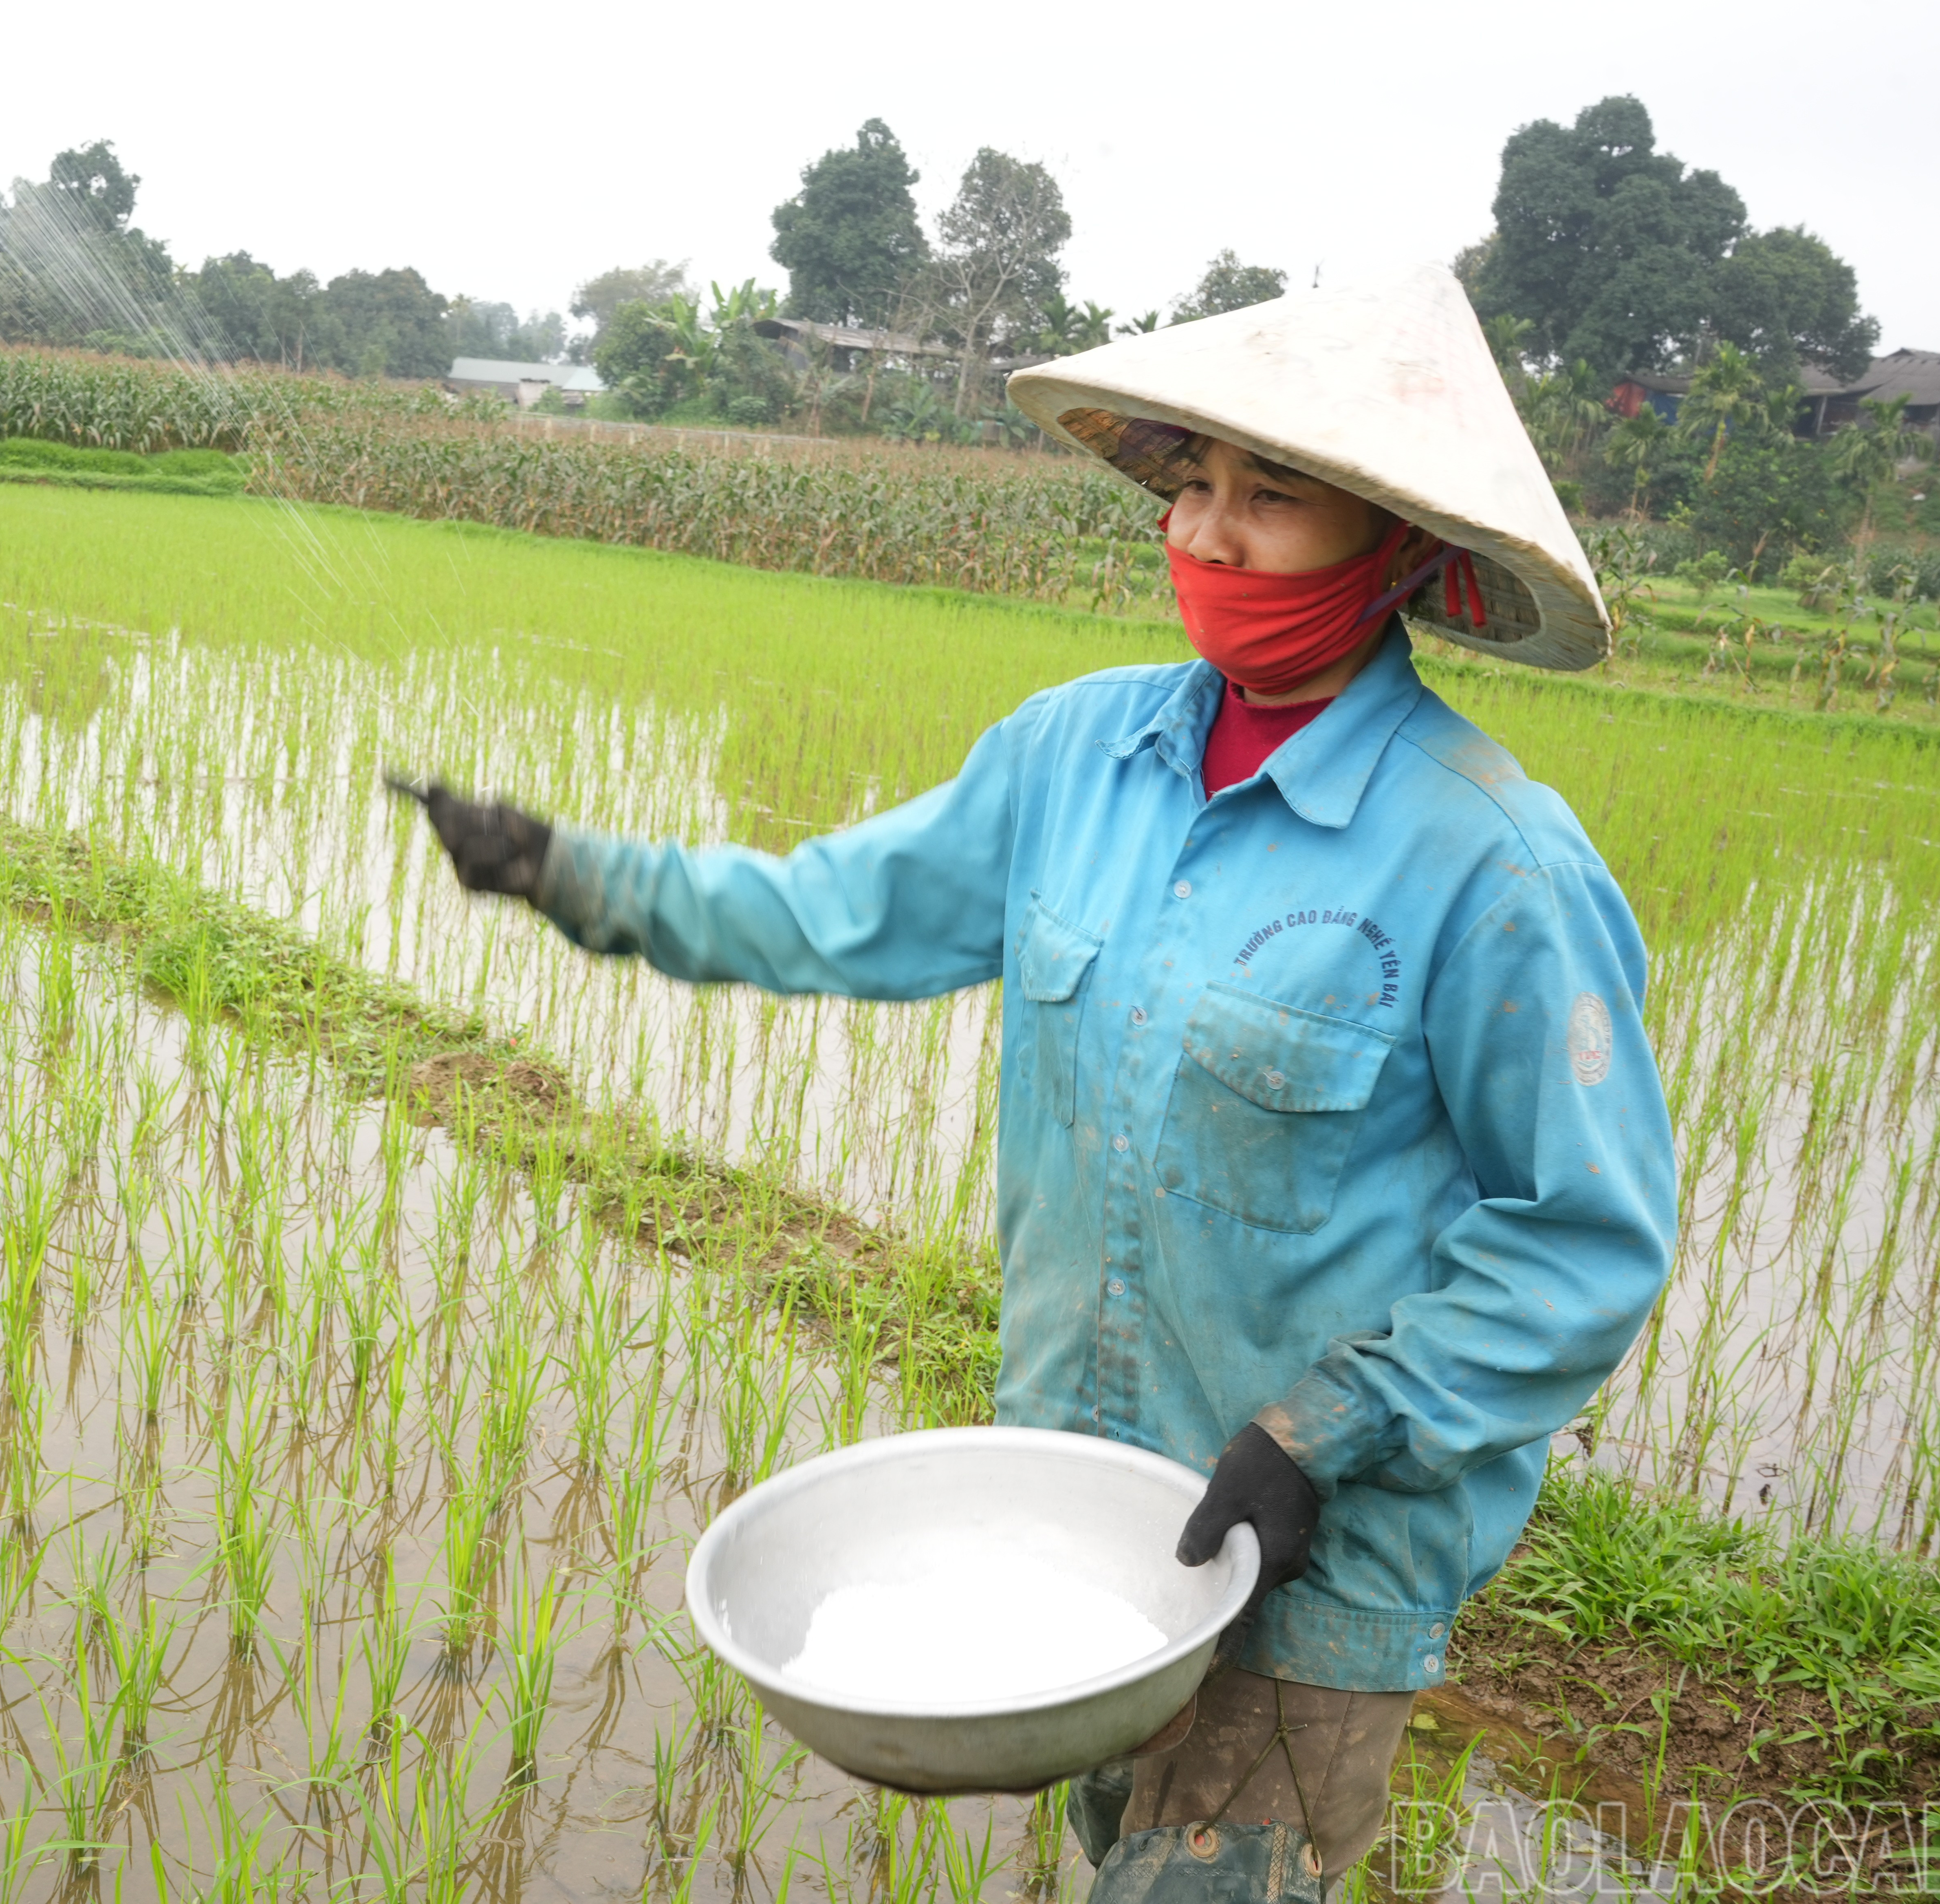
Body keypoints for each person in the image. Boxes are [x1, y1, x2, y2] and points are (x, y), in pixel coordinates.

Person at [399, 265, 1680, 1902]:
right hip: (1084, 1533)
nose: (1208, 539)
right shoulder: (1078, 758)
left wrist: (1323, 1429)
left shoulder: (1492, 863)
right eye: (1192, 486)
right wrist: (576, 874)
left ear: (1400, 549)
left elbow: (1587, 1240)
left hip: (1312, 1577)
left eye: (1270, 499)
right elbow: (836, 911)